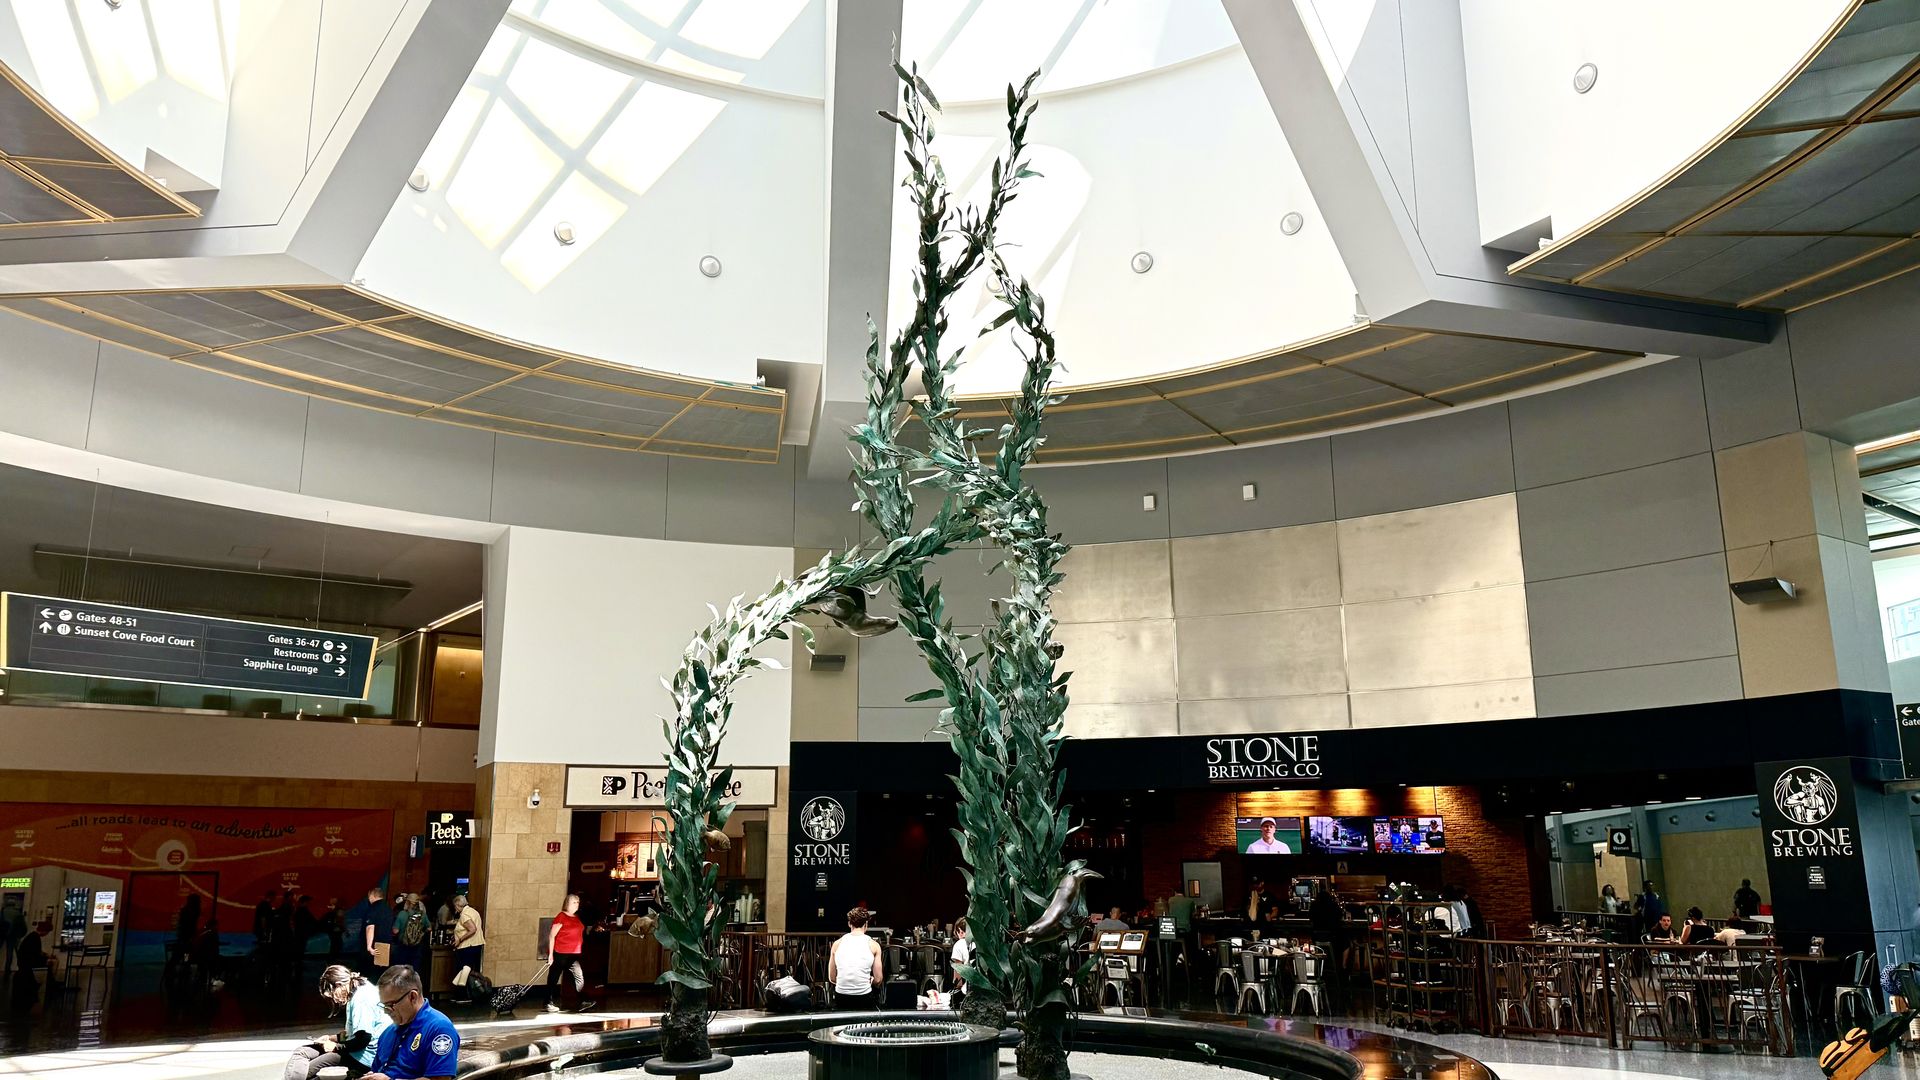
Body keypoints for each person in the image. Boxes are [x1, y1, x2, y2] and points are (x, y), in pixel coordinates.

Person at [284, 963, 392, 1080]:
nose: (335, 1000)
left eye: (332, 995)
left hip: (364, 1057)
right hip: (357, 1050)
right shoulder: (359, 988)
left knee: (307, 1071)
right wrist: (332, 1038)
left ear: (339, 985)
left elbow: (363, 1039)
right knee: (302, 1051)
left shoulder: (361, 999)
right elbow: (353, 1033)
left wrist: (336, 1047)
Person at [366, 965, 458, 1080]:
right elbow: (377, 1069)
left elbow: (440, 1079)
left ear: (412, 997)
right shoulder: (388, 1033)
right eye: (384, 1005)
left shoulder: (439, 1028)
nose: (386, 1011)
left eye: (390, 1005)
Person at [544, 894, 591, 1014]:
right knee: (554, 977)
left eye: (578, 902)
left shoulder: (576, 917)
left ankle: (582, 1000)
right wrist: (550, 954)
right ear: (567, 904)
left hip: (573, 953)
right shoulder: (561, 916)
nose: (577, 904)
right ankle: (548, 1002)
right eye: (574, 902)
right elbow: (552, 935)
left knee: (578, 975)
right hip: (561, 952)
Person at [829, 907, 882, 1009]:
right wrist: (870, 980)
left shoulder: (837, 944)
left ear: (849, 924)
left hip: (841, 997)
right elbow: (878, 979)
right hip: (864, 997)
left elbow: (832, 978)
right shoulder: (874, 945)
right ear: (866, 924)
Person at [8, 920, 49, 1012]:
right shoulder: (35, 939)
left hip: (23, 965)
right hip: (27, 965)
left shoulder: (31, 937)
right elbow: (35, 955)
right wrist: (45, 959)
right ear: (45, 931)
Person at [450, 895, 485, 989]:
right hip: (476, 945)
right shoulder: (473, 911)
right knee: (469, 972)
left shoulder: (464, 915)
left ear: (457, 905)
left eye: (455, 906)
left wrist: (460, 939)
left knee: (462, 973)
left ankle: (462, 996)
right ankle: (470, 994)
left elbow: (472, 929)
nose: (455, 909)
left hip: (467, 947)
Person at [391, 894, 429, 975]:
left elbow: (395, 931)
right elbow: (429, 928)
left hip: (403, 946)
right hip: (417, 947)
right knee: (415, 971)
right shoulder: (422, 915)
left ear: (407, 902)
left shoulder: (402, 914)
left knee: (401, 971)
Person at [949, 915, 972, 1006]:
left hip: (969, 991)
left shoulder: (959, 944)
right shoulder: (981, 942)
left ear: (960, 932)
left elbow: (958, 977)